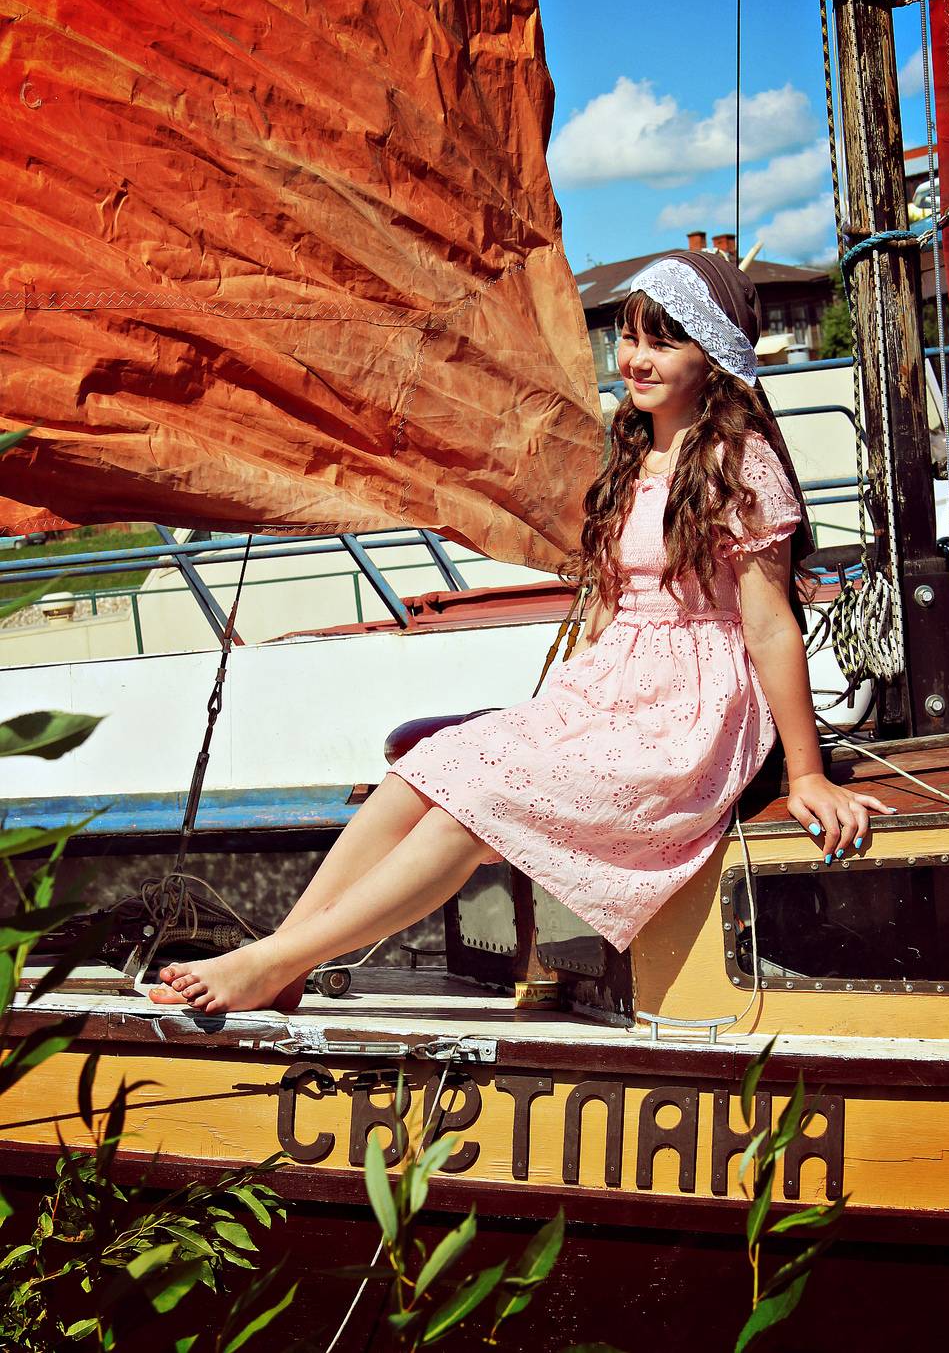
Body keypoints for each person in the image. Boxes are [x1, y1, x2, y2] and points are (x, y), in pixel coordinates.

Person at [150, 250, 895, 1014]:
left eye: (664, 343)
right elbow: (612, 603)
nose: (636, 360)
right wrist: (567, 705)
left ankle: (275, 963)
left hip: (687, 717)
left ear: (712, 354)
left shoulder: (740, 464)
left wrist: (806, 774)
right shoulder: (635, 454)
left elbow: (769, 627)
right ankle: (282, 960)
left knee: (475, 809)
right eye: (630, 338)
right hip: (611, 696)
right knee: (423, 771)